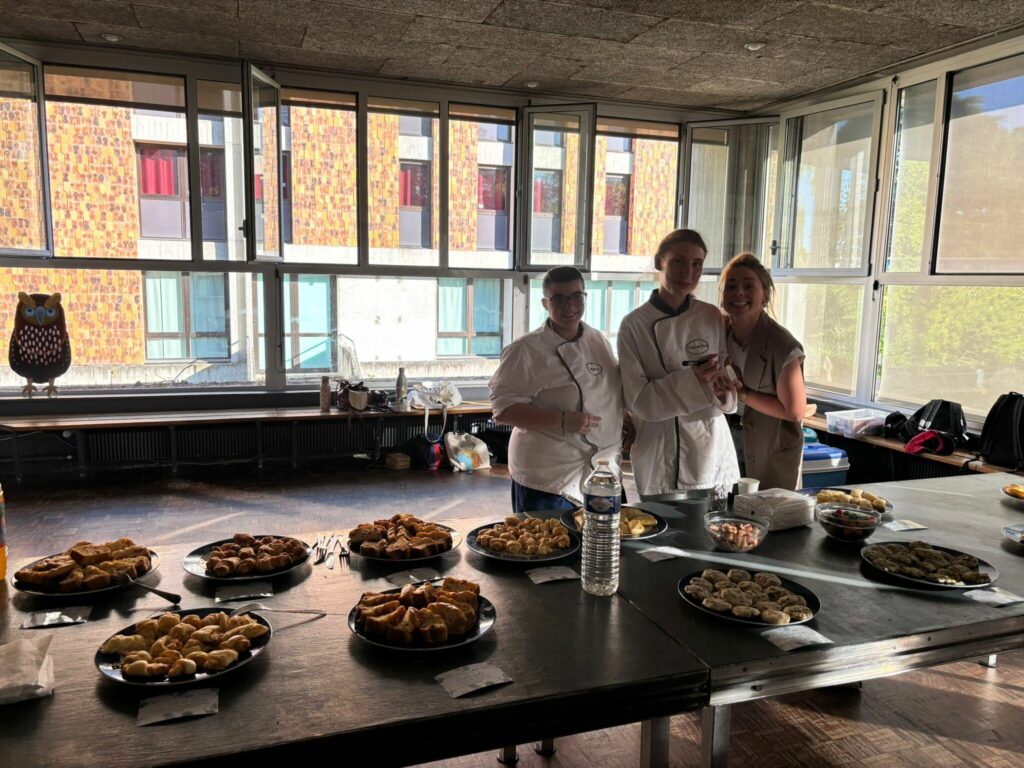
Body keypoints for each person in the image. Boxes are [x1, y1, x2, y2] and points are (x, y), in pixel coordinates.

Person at [489, 266, 624, 515]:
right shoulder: (526, 349)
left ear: (585, 298)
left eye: (576, 297)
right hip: (547, 476)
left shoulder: (598, 340)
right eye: (559, 299)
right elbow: (503, 410)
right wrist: (562, 420)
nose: (569, 306)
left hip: (600, 469)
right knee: (549, 539)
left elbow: (609, 391)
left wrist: (627, 420)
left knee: (603, 538)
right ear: (545, 303)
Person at [617, 229, 739, 501]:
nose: (688, 273)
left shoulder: (711, 316)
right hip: (659, 452)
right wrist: (694, 380)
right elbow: (639, 400)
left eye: (697, 264)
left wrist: (724, 389)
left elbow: (722, 384)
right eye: (679, 262)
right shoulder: (633, 325)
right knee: (661, 526)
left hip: (708, 448)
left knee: (711, 526)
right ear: (659, 262)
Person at [719, 252, 807, 491]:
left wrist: (743, 394)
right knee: (722, 507)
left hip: (768, 447)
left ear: (765, 296)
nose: (739, 293)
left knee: (762, 509)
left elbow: (795, 411)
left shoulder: (783, 345)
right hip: (724, 437)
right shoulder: (717, 333)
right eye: (731, 286)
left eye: (749, 286)